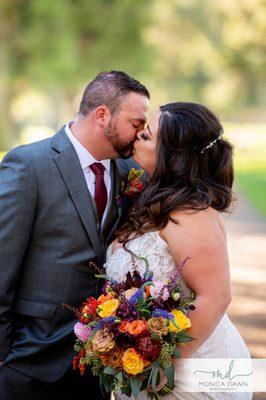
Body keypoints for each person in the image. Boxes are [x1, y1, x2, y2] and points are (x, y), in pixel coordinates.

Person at [0, 71, 149, 400]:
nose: (141, 134)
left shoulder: (129, 173)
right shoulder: (29, 165)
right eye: (136, 124)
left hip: (96, 363)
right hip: (28, 359)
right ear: (102, 115)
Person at [105, 102, 252, 399]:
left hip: (190, 377)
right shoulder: (156, 199)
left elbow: (216, 296)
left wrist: (164, 363)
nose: (136, 138)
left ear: (172, 156)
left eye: (147, 136)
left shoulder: (190, 215)